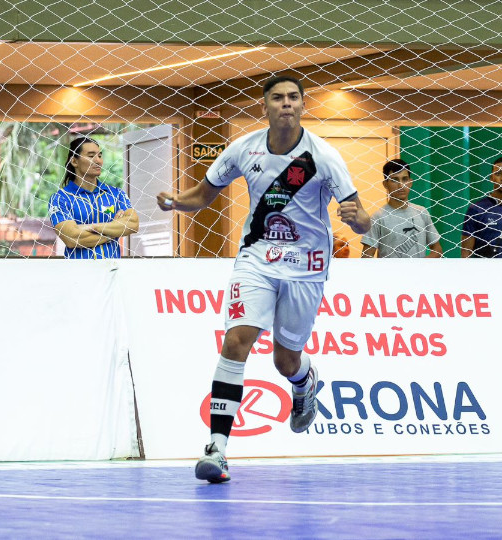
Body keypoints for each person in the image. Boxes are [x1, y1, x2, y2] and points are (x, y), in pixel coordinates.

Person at [156, 76, 371, 483]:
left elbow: (359, 218)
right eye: (277, 98)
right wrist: (173, 202)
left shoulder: (323, 157)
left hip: (306, 266)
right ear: (266, 106)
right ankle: (216, 450)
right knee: (236, 340)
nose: (285, 104)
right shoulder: (243, 148)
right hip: (255, 261)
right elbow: (203, 195)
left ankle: (304, 381)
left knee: (284, 359)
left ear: (303, 105)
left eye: (293, 98)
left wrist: (360, 220)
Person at [49, 137, 140, 259]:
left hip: (111, 271)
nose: (98, 161)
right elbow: (72, 238)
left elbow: (133, 224)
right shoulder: (60, 199)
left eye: (100, 156)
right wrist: (114, 228)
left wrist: (93, 227)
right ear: (74, 161)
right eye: (91, 156)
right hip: (78, 273)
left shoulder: (116, 194)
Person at [361, 159, 442, 258]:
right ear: (385, 184)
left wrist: (421, 267)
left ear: (410, 182)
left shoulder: (421, 212)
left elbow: (437, 249)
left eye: (404, 179)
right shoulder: (377, 218)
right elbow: (366, 257)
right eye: (395, 180)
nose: (400, 185)